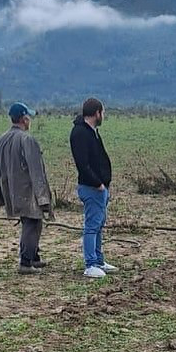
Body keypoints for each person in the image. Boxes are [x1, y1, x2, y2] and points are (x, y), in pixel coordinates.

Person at [0, 103, 53, 275]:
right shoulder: (27, 140)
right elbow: (36, 171)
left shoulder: (1, 140)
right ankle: (26, 262)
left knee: (32, 222)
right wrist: (43, 197)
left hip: (10, 190)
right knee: (32, 222)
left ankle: (34, 257)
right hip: (27, 191)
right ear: (24, 119)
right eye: (29, 117)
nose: (30, 121)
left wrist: (0, 195)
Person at [70, 98, 116, 279]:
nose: (103, 116)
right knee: (91, 226)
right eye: (102, 112)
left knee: (98, 225)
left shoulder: (92, 132)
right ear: (97, 113)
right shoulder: (80, 133)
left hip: (99, 188)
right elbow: (82, 163)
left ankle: (98, 260)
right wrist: (97, 183)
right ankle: (90, 264)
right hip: (92, 188)